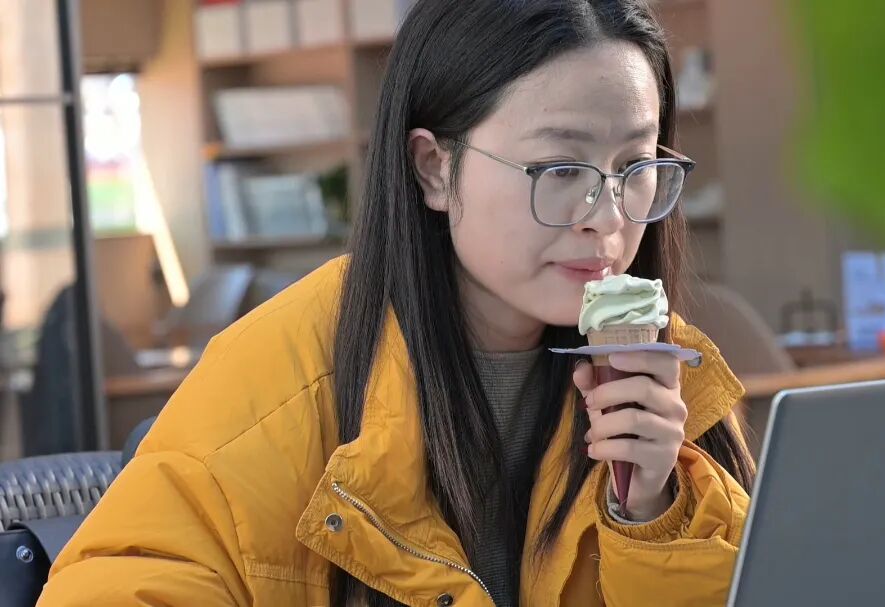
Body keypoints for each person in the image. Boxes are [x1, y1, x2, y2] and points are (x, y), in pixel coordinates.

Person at [39, 1, 755, 605]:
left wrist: (651, 511)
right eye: (561, 168)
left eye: (635, 165)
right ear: (434, 169)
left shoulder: (667, 378)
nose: (609, 216)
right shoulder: (284, 372)